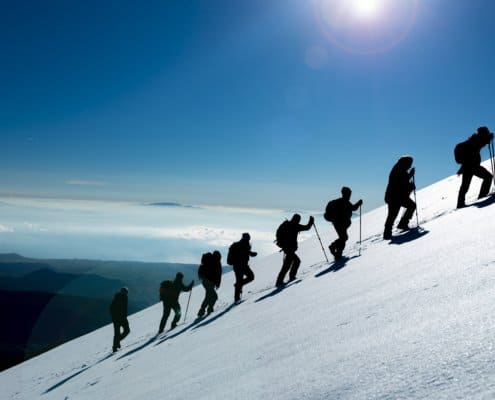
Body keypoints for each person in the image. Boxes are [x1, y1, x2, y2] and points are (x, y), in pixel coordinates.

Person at [455, 126, 494, 208]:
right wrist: (489, 138)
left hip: (468, 167)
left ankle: (460, 204)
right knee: (488, 177)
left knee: (465, 186)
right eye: (486, 132)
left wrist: (461, 169)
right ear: (483, 133)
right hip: (472, 167)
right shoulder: (476, 140)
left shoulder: (474, 140)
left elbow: (480, 144)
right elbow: (481, 143)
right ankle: (481, 196)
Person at [275, 214, 314, 286]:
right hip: (289, 248)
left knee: (291, 263)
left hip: (286, 247)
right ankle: (283, 280)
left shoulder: (287, 224)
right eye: (299, 219)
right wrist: (311, 221)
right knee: (292, 263)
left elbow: (278, 232)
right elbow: (307, 227)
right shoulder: (295, 226)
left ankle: (284, 279)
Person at [383, 156, 416, 240]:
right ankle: (401, 225)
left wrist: (409, 178)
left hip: (395, 197)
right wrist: (410, 176)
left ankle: (389, 232)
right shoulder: (398, 170)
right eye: (409, 164)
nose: (410, 165)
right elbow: (401, 183)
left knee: (392, 214)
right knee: (393, 214)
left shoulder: (399, 169)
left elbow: (402, 183)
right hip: (395, 197)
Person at [325, 187, 363, 260]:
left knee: (343, 237)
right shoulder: (345, 202)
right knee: (344, 237)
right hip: (340, 224)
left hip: (338, 223)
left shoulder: (340, 201)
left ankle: (337, 252)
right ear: (345, 194)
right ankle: (335, 249)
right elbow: (353, 208)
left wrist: (358, 203)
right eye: (349, 194)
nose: (350, 195)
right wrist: (359, 203)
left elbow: (353, 208)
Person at [228, 233, 257, 302]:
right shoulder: (244, 245)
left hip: (238, 266)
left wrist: (252, 253)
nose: (249, 240)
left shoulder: (240, 244)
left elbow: (246, 252)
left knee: (240, 280)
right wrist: (252, 254)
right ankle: (237, 297)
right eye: (248, 238)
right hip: (242, 266)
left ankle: (237, 297)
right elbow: (246, 252)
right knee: (250, 277)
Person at [197, 251, 222, 317]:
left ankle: (203, 310)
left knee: (209, 296)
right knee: (214, 297)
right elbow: (218, 274)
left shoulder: (210, 260)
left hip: (205, 281)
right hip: (210, 282)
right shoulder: (216, 262)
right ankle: (206, 309)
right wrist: (218, 283)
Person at [110, 287, 130, 352]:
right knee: (126, 331)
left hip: (118, 318)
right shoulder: (120, 298)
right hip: (120, 318)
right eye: (125, 292)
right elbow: (113, 308)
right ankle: (115, 347)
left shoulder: (121, 297)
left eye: (126, 292)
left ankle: (116, 345)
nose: (126, 293)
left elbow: (111, 308)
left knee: (118, 333)